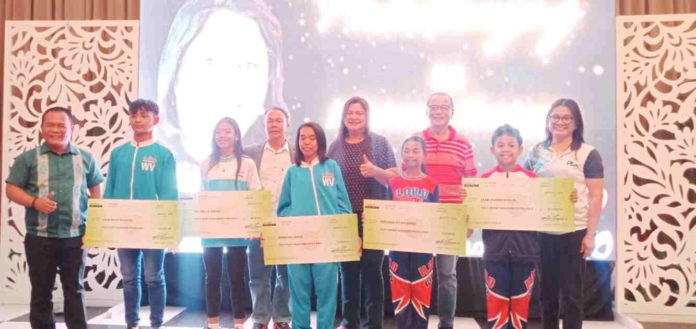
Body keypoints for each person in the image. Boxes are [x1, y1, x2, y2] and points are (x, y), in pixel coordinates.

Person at [157, 0, 285, 191]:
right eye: (210, 62)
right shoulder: (155, 160)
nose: (229, 82)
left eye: (248, 66)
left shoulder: (273, 165)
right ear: (175, 72)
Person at [6, 107, 104, 329]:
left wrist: (95, 228)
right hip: (40, 237)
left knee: (75, 290)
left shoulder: (86, 158)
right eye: (50, 125)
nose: (55, 129)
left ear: (71, 129)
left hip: (75, 237)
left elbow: (97, 193)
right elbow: (11, 189)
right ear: (42, 128)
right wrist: (34, 202)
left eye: (61, 125)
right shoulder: (27, 159)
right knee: (41, 291)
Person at [525, 99, 604, 329]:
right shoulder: (537, 151)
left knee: (572, 293)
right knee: (546, 292)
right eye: (555, 117)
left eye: (566, 118)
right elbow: (527, 186)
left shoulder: (588, 153)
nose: (560, 122)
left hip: (574, 230)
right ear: (548, 121)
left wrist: (590, 234)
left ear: (576, 123)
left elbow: (596, 195)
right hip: (543, 230)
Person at [104, 99, 179, 329]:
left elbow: (169, 194)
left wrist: (170, 231)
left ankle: (157, 324)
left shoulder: (163, 154)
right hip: (123, 226)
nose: (138, 119)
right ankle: (132, 323)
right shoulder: (118, 154)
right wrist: (107, 226)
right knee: (128, 278)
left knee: (154, 277)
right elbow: (110, 190)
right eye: (134, 114)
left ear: (155, 119)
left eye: (144, 115)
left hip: (152, 227)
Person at [328, 96, 396, 329]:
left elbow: (394, 178)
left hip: (373, 216)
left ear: (366, 117)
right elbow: (328, 182)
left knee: (371, 271)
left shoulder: (379, 143)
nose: (354, 117)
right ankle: (350, 322)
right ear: (343, 117)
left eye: (359, 113)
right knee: (347, 271)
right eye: (350, 113)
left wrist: (375, 170)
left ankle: (374, 323)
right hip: (344, 216)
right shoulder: (336, 145)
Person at [276, 122, 352, 329]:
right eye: (302, 137)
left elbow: (344, 206)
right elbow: (282, 209)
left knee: (326, 294)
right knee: (299, 292)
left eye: (311, 137)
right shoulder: (292, 172)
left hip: (327, 245)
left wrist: (339, 233)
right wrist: (300, 222)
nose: (306, 142)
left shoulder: (331, 167)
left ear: (320, 141)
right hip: (298, 245)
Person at [417, 92, 477, 328]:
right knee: (419, 274)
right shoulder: (416, 140)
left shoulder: (463, 143)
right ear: (427, 110)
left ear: (452, 112)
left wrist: (469, 219)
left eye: (444, 107)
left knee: (447, 277)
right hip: (422, 218)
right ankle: (417, 322)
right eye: (434, 106)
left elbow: (471, 182)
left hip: (451, 219)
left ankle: (446, 324)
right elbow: (406, 178)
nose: (438, 111)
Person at [473, 124, 539, 329]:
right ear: (492, 149)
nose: (506, 149)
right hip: (495, 253)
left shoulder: (533, 180)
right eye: (500, 145)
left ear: (520, 149)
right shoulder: (484, 181)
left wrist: (565, 200)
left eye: (511, 145)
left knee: (520, 307)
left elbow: (546, 212)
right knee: (496, 307)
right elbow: (473, 217)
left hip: (526, 253)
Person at [200, 117, 261, 329]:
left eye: (227, 131)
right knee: (212, 278)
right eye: (218, 132)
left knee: (237, 278)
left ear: (236, 136)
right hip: (211, 232)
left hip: (238, 231)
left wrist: (254, 226)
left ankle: (238, 323)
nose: (222, 136)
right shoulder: (207, 163)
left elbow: (255, 196)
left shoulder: (247, 163)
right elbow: (202, 197)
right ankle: (212, 323)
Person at [245, 107, 294, 329]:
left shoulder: (296, 153)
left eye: (278, 120)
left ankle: (281, 317)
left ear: (287, 125)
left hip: (287, 223)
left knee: (286, 275)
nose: (274, 124)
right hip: (258, 223)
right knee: (258, 275)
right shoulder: (250, 153)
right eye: (270, 121)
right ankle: (260, 318)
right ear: (264, 126)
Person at [386, 136, 439, 329]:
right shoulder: (393, 183)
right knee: (400, 300)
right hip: (398, 251)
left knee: (421, 300)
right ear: (401, 154)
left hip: (423, 252)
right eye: (407, 150)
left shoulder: (432, 184)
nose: (411, 154)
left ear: (424, 155)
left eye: (416, 150)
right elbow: (386, 215)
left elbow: (435, 218)